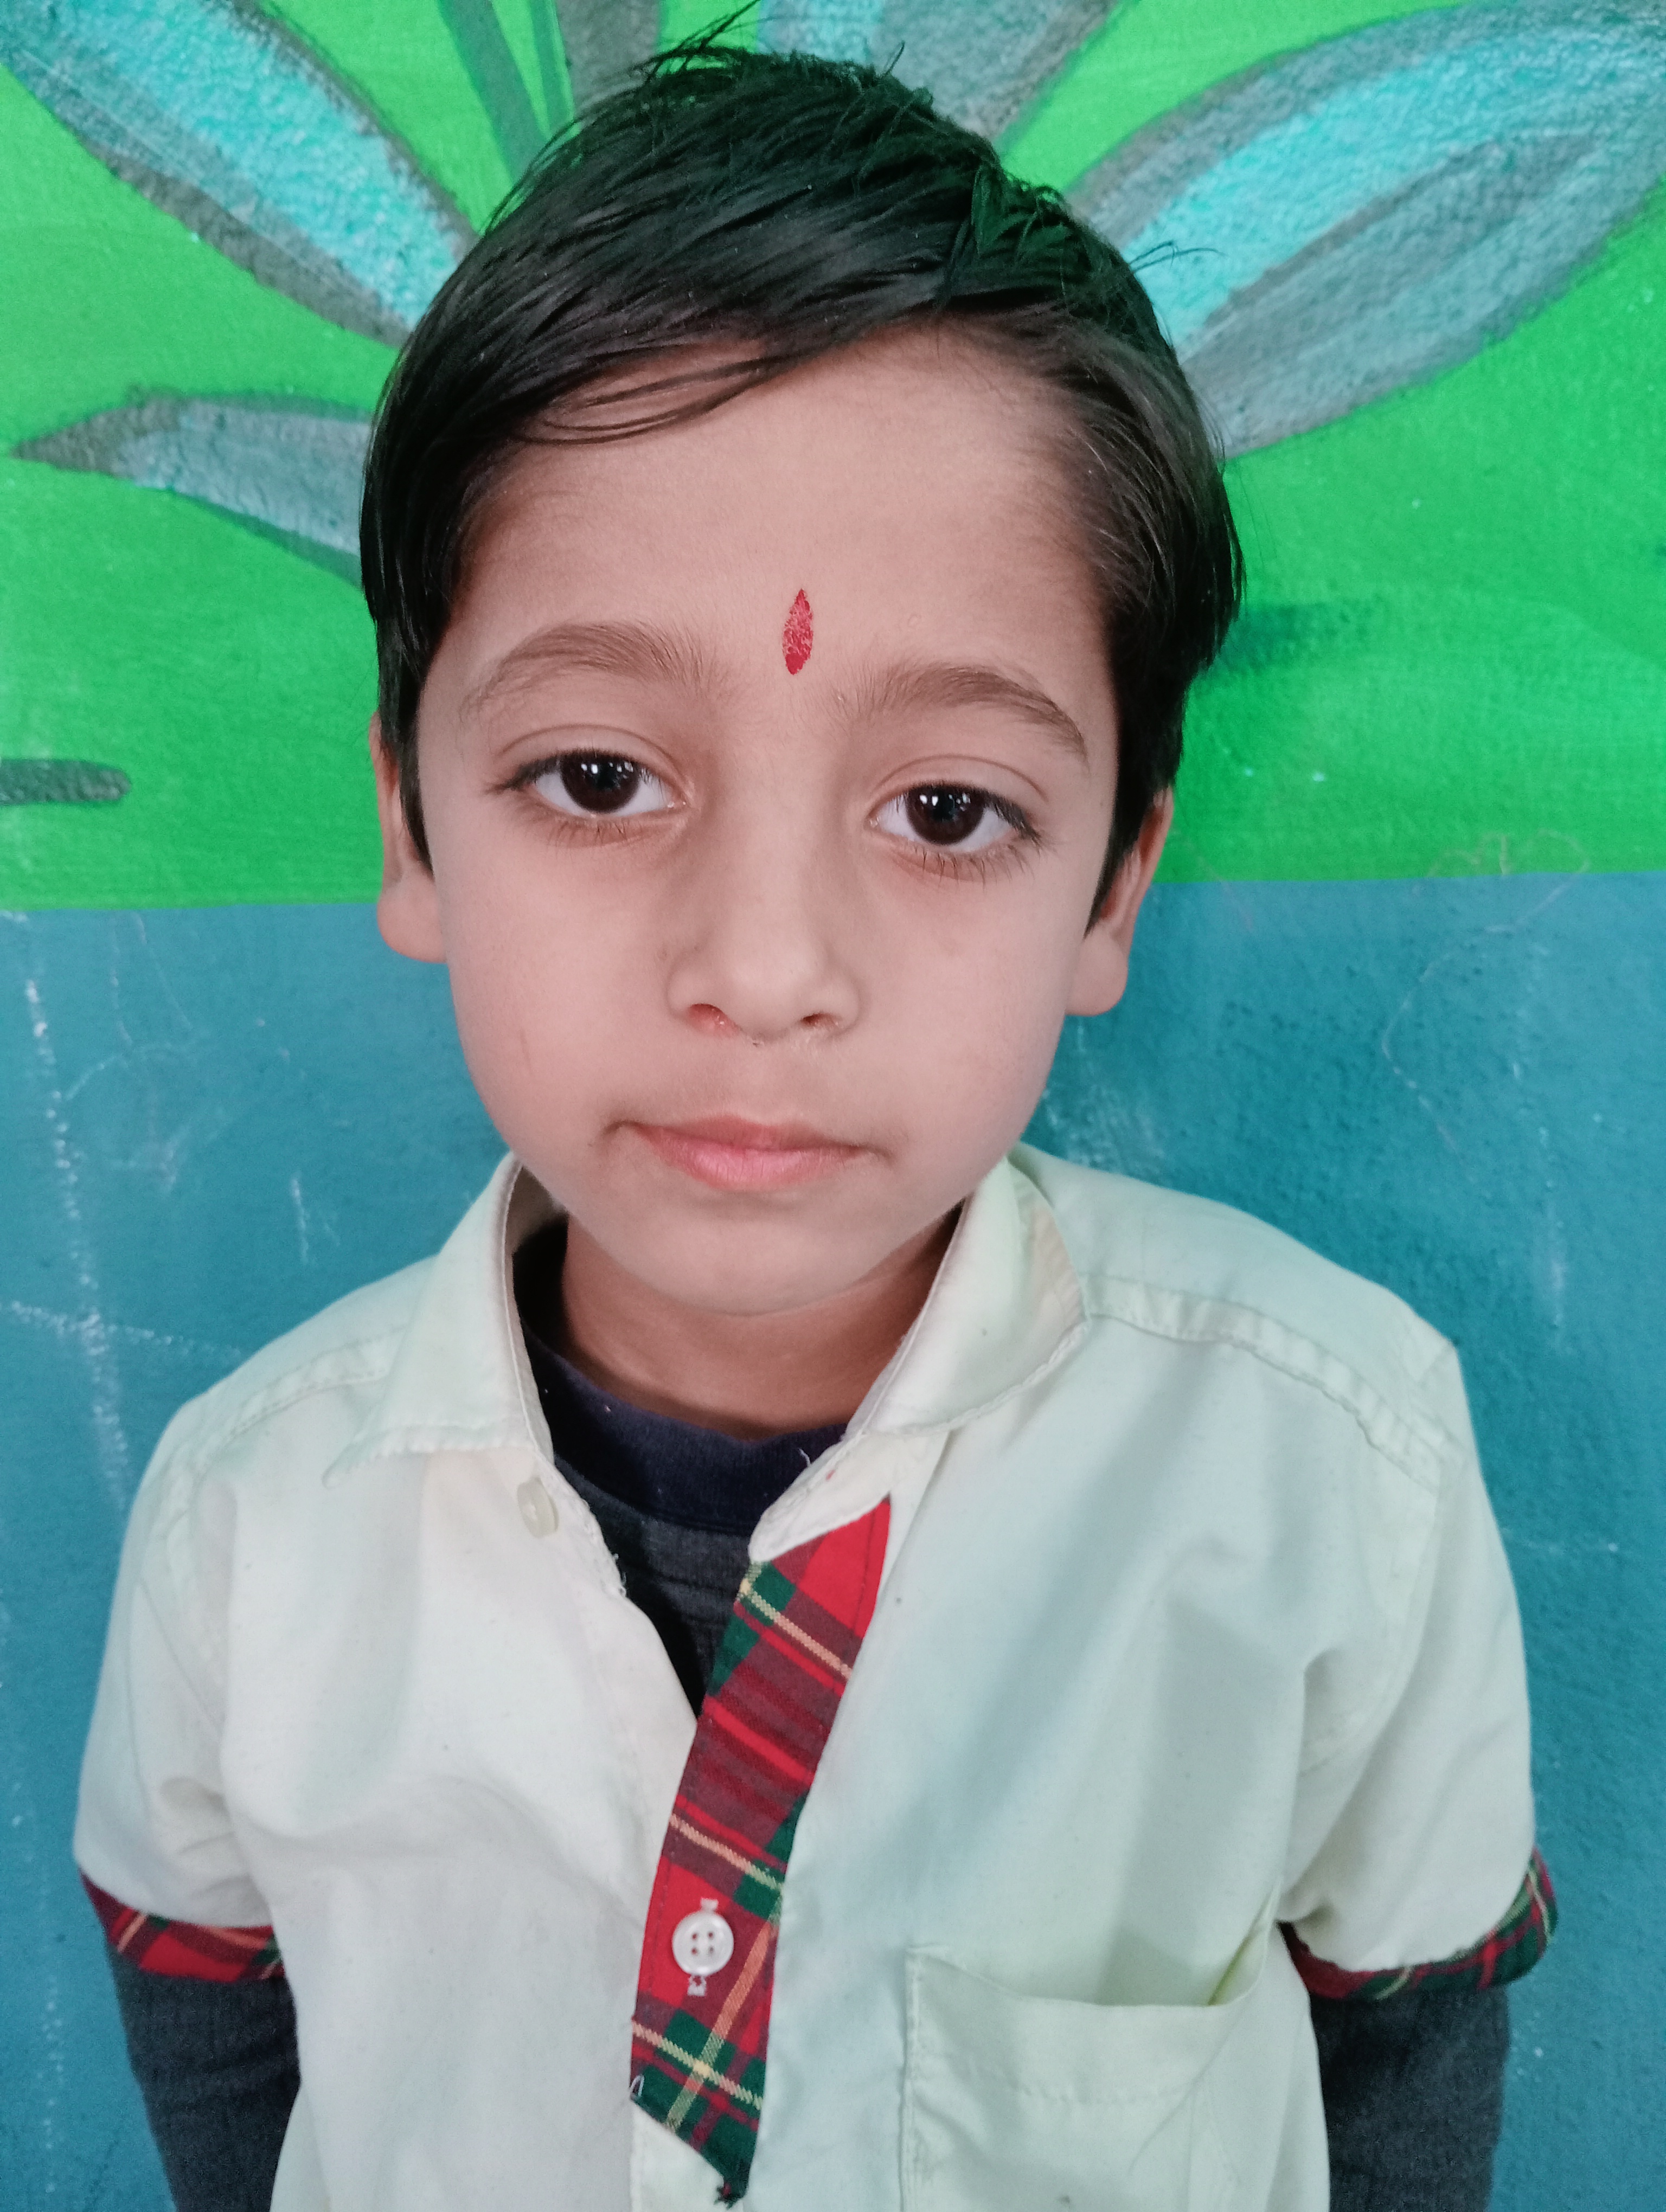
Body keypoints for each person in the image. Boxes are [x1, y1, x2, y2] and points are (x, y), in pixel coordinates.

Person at [74, 42, 1553, 2212]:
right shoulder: (251, 1527)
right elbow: (212, 2013)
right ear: (408, 820)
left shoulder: (1334, 1468)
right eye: (598, 778)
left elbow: (1406, 2050)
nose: (766, 969)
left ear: (1113, 887)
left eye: (948, 810)